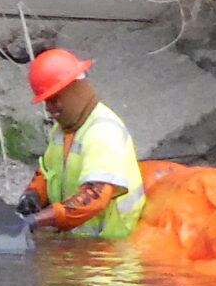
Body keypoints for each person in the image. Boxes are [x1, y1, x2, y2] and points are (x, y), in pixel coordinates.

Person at [17, 47, 146, 238]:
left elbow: (95, 197)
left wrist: (36, 221)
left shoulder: (103, 132)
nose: (49, 109)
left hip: (110, 248)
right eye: (46, 101)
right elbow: (47, 172)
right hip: (77, 241)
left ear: (73, 90)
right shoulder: (63, 130)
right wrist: (33, 194)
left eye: (54, 99)